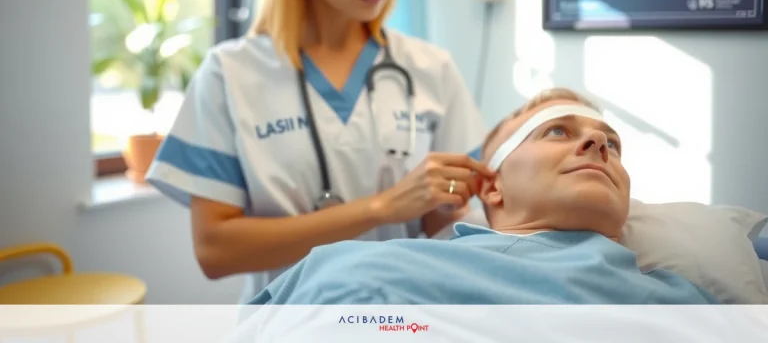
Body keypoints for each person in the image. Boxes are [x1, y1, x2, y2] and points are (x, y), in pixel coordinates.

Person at [144, 0, 490, 304]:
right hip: (290, 320)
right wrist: (380, 208)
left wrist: (448, 211)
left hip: (404, 316)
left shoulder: (430, 69)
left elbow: (452, 217)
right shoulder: (231, 75)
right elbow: (215, 250)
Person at [246, 88, 720, 305]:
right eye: (556, 131)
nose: (598, 145)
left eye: (613, 144)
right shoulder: (363, 272)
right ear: (492, 186)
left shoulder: (688, 302)